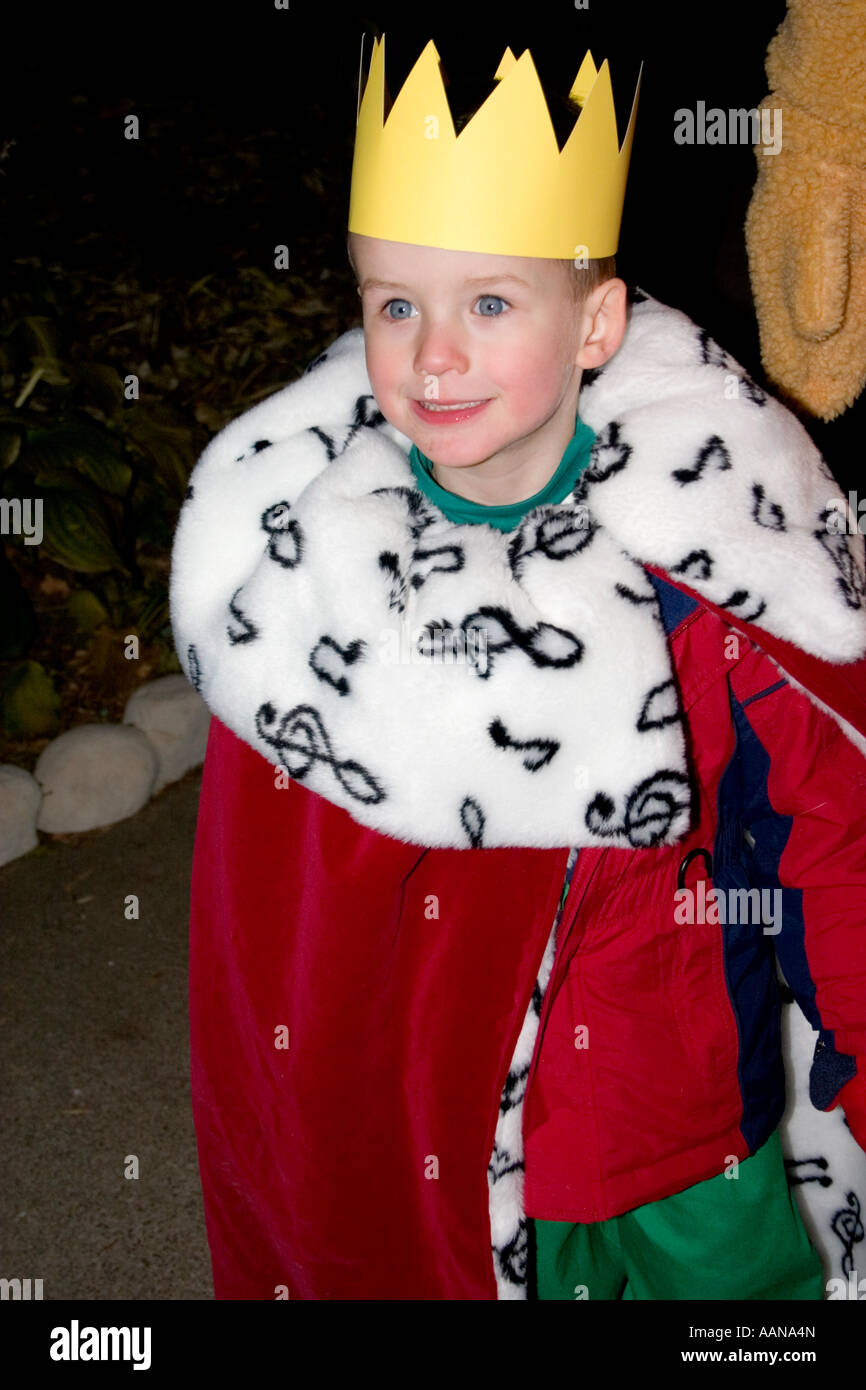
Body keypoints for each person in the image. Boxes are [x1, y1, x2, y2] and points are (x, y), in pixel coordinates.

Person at [170, 37, 866, 1300]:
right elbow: (287, 937)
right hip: (468, 1167)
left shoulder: (706, 571)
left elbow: (830, 830)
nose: (433, 356)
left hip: (693, 1140)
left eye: (489, 305)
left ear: (594, 321)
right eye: (394, 304)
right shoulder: (308, 581)